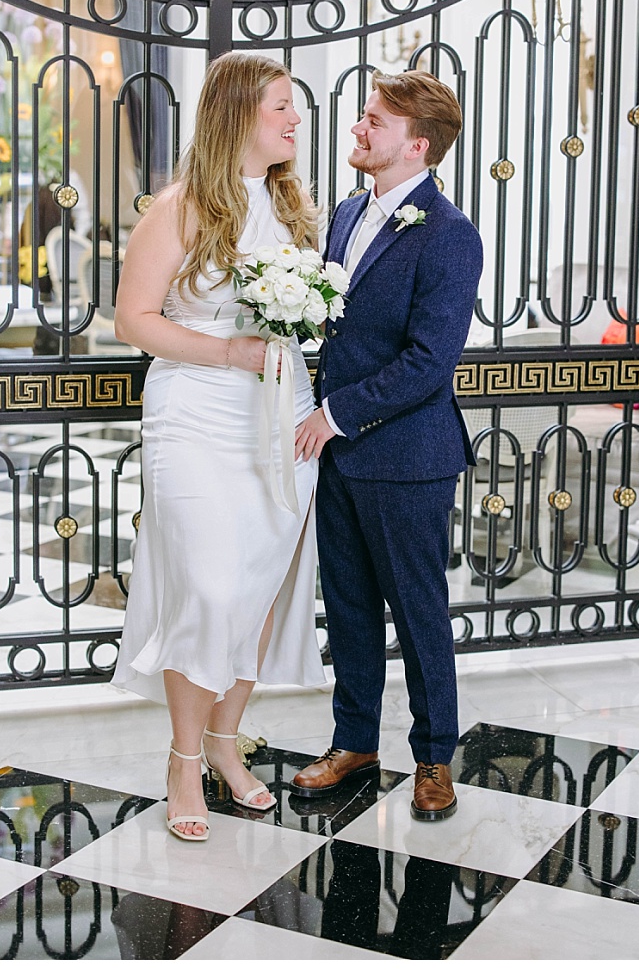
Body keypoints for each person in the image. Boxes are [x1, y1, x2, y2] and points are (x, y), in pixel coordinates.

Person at [113, 52, 327, 841]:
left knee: (258, 593)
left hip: (280, 417)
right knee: (206, 585)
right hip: (197, 414)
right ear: (239, 114)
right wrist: (228, 353)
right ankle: (180, 760)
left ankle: (226, 746)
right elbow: (134, 319)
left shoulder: (294, 207)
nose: (295, 119)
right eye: (281, 106)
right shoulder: (179, 208)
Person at [288, 71, 482, 822]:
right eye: (364, 116)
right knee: (349, 606)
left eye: (375, 121)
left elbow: (429, 362)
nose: (360, 129)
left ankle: (434, 758)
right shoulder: (344, 213)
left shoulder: (449, 235)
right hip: (337, 454)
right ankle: (354, 741)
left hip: (407, 457)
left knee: (419, 610)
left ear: (417, 143)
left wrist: (336, 414)